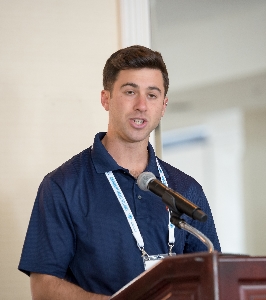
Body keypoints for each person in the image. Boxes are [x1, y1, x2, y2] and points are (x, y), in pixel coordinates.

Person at [18, 45, 221, 299]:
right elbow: (44, 287)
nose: (141, 105)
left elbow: (211, 276)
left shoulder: (186, 189)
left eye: (152, 95)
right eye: (130, 91)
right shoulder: (62, 186)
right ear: (106, 98)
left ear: (164, 105)